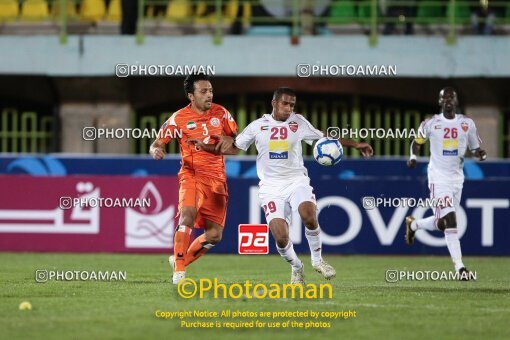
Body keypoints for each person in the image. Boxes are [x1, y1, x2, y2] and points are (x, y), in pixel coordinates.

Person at [192, 87, 373, 284]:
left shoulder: (299, 122)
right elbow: (234, 148)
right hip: (270, 188)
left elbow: (324, 137)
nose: (289, 108)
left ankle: (318, 260)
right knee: (280, 236)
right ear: (274, 103)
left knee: (309, 216)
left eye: (292, 105)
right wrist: (205, 147)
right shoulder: (257, 126)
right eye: (285, 104)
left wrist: (356, 145)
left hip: (296, 180)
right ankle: (297, 267)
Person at [149, 74, 238, 284]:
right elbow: (157, 143)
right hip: (192, 176)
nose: (209, 95)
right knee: (186, 216)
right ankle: (179, 273)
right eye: (203, 92)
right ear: (191, 96)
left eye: (211, 91)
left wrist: (230, 142)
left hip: (217, 180)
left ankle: (179, 260)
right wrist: (155, 151)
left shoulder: (222, 113)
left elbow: (236, 143)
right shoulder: (178, 118)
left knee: (214, 235)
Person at [405, 87, 486, 280]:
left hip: (457, 179)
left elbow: (475, 148)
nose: (448, 100)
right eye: (445, 97)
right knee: (451, 220)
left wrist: (479, 154)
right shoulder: (431, 123)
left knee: (443, 223)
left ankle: (414, 225)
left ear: (456, 102)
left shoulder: (467, 124)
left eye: (452, 97)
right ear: (440, 102)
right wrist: (413, 156)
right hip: (438, 178)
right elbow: (417, 141)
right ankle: (460, 268)